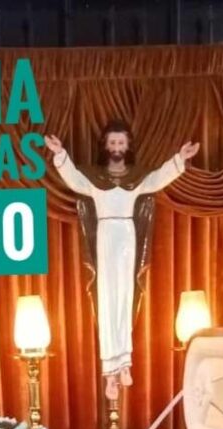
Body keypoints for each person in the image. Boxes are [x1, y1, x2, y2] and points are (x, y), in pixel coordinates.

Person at [45, 122, 200, 399]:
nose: (117, 147)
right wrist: (60, 154)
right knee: (107, 300)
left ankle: (125, 361)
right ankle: (110, 373)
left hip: (127, 235)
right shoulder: (95, 179)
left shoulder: (136, 178)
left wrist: (180, 159)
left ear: (128, 146)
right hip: (105, 236)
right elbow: (74, 179)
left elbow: (158, 178)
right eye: (113, 143)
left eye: (121, 143)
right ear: (106, 146)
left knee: (126, 298)